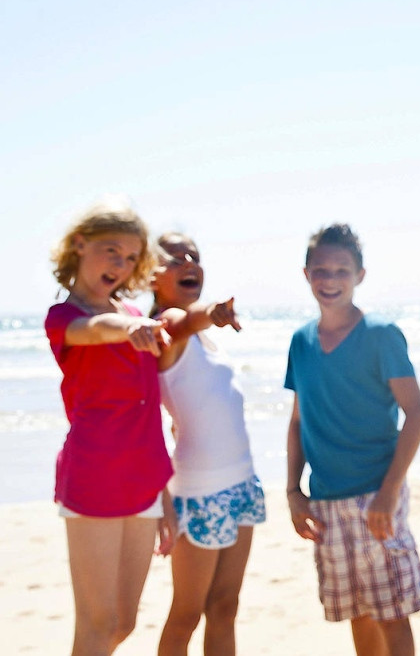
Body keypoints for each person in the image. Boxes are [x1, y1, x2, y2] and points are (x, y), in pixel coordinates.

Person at [284, 223, 420, 656]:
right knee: (358, 612)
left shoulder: (381, 335)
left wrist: (389, 491)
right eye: (321, 271)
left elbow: (417, 413)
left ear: (360, 276)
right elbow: (297, 422)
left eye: (342, 271)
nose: (330, 280)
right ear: (306, 274)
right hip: (325, 499)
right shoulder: (300, 341)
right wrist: (294, 490)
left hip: (375, 495)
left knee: (391, 612)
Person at [44, 201, 176, 655]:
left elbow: (149, 409)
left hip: (143, 481)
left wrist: (164, 492)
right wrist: (127, 327)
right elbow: (96, 328)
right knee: (97, 625)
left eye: (130, 257)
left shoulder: (137, 315)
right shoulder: (63, 318)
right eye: (110, 250)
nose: (120, 265)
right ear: (80, 244)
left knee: (122, 622)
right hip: (93, 478)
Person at [149, 232, 266, 656]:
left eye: (194, 256)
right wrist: (213, 312)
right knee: (186, 614)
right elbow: (187, 319)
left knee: (225, 607)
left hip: (240, 484)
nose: (188, 262)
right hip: (200, 493)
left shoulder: (205, 341)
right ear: (151, 276)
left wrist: (208, 321)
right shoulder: (166, 330)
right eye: (174, 258)